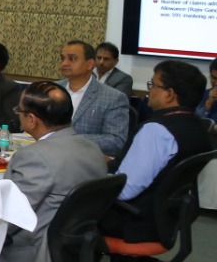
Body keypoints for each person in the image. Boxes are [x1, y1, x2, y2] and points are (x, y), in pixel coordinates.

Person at [0, 82, 108, 262]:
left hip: (34, 254)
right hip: (74, 247)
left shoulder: (34, 157)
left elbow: (8, 220)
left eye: (19, 111)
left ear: (32, 120)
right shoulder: (92, 148)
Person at [103, 61, 214, 242]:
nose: (150, 91)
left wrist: (91, 173)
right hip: (166, 220)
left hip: (132, 221)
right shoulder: (199, 127)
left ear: (169, 94)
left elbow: (125, 190)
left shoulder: (156, 131)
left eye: (153, 85)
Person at [59, 40, 130, 156]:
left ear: (90, 64)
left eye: (72, 59)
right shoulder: (51, 89)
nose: (64, 63)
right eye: (63, 58)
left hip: (84, 158)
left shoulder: (113, 98)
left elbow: (116, 140)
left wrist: (71, 140)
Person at [198, 59, 217, 124]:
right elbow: (196, 122)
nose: (216, 83)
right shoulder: (202, 95)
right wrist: (209, 103)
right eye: (214, 78)